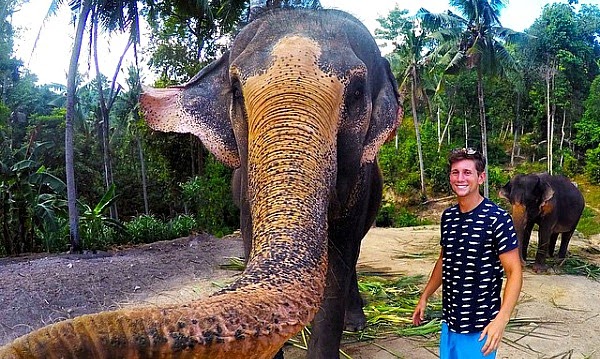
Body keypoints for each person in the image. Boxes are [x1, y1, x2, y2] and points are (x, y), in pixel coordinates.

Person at [411, 147, 523, 358]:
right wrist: (425, 296)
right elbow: (445, 260)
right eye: (455, 172)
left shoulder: (497, 219)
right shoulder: (449, 217)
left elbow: (514, 272)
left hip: (480, 329)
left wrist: (501, 320)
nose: (460, 178)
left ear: (481, 178)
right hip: (450, 322)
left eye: (467, 172)